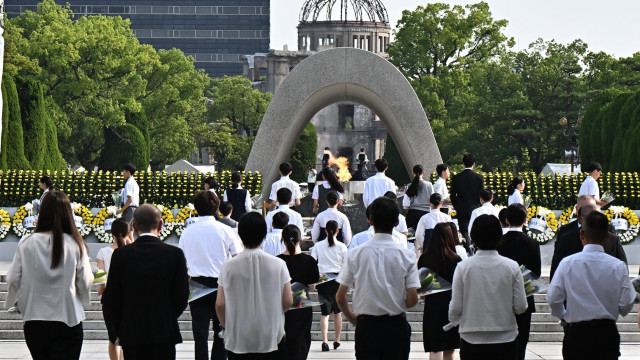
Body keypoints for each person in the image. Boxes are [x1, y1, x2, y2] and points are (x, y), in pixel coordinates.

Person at [5, 190, 93, 360]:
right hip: (68, 316)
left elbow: (13, 278)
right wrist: (81, 298)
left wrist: (16, 302)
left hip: (35, 318)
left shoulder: (27, 242)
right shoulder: (75, 243)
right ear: (68, 214)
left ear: (42, 212)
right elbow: (86, 280)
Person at [336, 197, 420, 360]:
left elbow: (340, 297)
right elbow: (412, 299)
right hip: (396, 327)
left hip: (367, 328)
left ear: (370, 220)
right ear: (396, 222)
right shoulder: (407, 256)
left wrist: (353, 318)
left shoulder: (355, 253)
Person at [102, 204, 189, 360]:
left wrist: (120, 326)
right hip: (164, 331)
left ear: (134, 226)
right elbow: (182, 295)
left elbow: (112, 297)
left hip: (132, 332)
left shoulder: (121, 255)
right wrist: (166, 316)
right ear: (161, 225)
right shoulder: (174, 254)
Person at [547, 212, 636, 360]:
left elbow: (553, 298)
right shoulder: (617, 266)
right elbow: (627, 301)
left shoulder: (568, 263)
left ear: (581, 234)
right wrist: (617, 309)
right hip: (606, 333)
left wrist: (564, 315)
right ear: (607, 237)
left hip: (577, 333)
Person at [449, 214, 528, 359]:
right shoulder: (511, 266)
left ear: (473, 236)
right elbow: (521, 306)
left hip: (471, 337)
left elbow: (455, 307)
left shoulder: (463, 267)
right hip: (505, 337)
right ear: (499, 236)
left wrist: (456, 322)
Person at [215, 212, 293, 359]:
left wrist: (226, 326)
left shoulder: (228, 267)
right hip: (271, 336)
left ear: (240, 234)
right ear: (264, 234)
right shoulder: (279, 264)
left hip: (238, 338)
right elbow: (288, 301)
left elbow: (220, 304)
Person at [179, 191, 239, 360]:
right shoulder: (226, 230)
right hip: (221, 285)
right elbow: (238, 258)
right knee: (221, 330)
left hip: (196, 285)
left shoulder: (188, 232)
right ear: (217, 207)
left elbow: (181, 261)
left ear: (196, 208)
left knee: (200, 333)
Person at [497, 204, 542, 360]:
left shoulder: (499, 242)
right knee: (521, 343)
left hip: (501, 298)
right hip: (525, 296)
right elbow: (537, 273)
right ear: (525, 220)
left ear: (507, 220)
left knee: (502, 345)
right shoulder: (533, 243)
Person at [418, 223, 462, 360]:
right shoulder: (455, 259)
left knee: (434, 348)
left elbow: (421, 287)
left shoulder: (424, 259)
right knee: (449, 348)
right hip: (450, 306)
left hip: (432, 307)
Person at [550, 203, 627, 280]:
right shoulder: (567, 239)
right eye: (591, 217)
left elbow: (623, 268)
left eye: (598, 216)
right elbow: (556, 269)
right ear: (581, 219)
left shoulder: (613, 240)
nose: (595, 220)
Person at [277, 225, 320, 360]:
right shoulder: (309, 261)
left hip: (281, 305)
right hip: (302, 304)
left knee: (283, 341)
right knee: (301, 341)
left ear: (282, 239)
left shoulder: (277, 261)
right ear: (299, 240)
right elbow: (312, 287)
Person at [97, 218, 134, 360]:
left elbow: (100, 279)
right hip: (129, 299)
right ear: (129, 232)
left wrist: (101, 290)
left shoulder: (103, 252)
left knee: (113, 338)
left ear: (111, 232)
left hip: (110, 300)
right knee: (127, 337)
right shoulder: (132, 251)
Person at [311, 220, 348, 352]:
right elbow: (346, 265)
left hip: (323, 280)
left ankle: (325, 340)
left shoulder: (318, 246)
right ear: (337, 231)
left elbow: (312, 262)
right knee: (337, 312)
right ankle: (337, 340)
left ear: (325, 231)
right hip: (338, 280)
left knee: (324, 313)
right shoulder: (342, 247)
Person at [450, 154, 484, 242]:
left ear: (463, 164)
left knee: (464, 233)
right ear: (474, 164)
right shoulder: (479, 177)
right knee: (477, 232)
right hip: (476, 208)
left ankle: (468, 249)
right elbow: (482, 194)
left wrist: (457, 206)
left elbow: (452, 195)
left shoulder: (456, 178)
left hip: (462, 209)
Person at [402, 165, 434, 230]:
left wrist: (406, 208)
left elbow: (405, 203)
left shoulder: (409, 185)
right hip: (425, 213)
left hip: (412, 214)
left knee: (412, 237)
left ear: (413, 172)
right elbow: (433, 199)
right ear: (423, 173)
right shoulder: (429, 185)